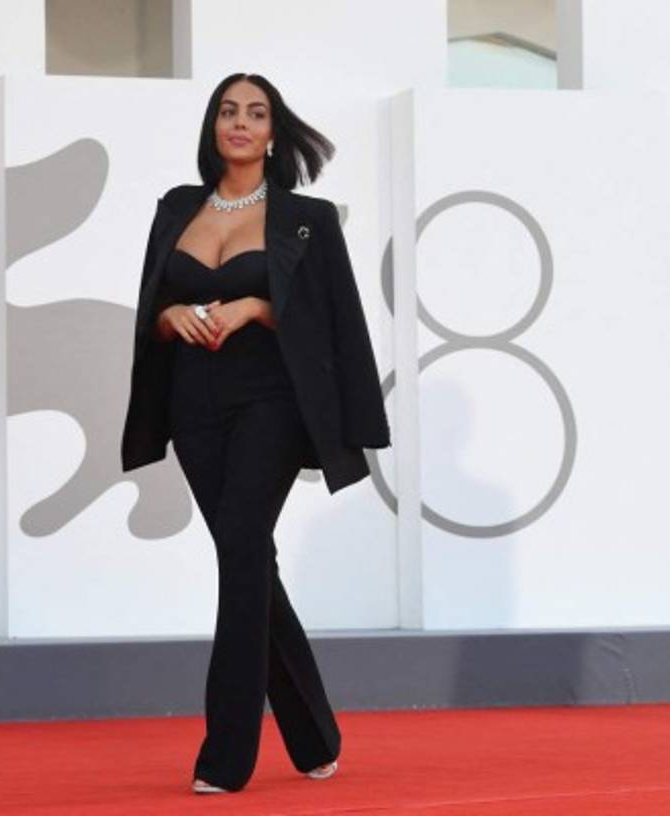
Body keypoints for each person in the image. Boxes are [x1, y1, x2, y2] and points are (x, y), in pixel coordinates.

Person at [120, 72, 392, 794]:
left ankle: (226, 757)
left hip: (269, 399)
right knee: (251, 564)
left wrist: (255, 309)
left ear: (274, 132)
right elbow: (151, 304)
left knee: (240, 551)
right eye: (228, 111)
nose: (240, 122)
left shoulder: (307, 218)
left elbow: (334, 323)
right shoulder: (176, 209)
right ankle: (315, 736)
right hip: (191, 404)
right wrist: (168, 318)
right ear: (214, 127)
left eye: (256, 113)